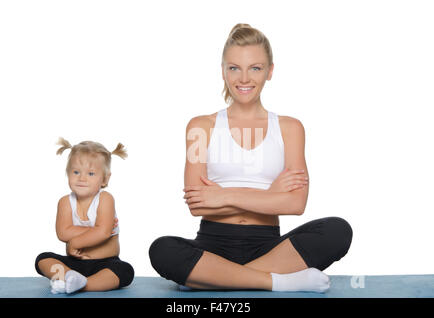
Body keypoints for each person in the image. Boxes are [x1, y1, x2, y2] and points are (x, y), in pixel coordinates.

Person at [149, 23, 353, 293]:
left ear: (270, 71)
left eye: (255, 68)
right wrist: (270, 196)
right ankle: (276, 281)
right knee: (162, 250)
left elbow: (296, 203)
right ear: (223, 71)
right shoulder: (200, 127)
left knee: (338, 230)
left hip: (270, 247)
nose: (244, 78)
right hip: (212, 245)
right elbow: (197, 205)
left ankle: (212, 279)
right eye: (234, 68)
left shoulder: (291, 128)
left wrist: (225, 195)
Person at [35, 137, 134, 294]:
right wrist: (97, 230)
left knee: (125, 271)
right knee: (43, 259)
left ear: (105, 179)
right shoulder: (65, 202)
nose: (82, 178)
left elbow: (103, 232)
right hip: (74, 263)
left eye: (91, 173)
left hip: (105, 263)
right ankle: (69, 276)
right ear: (68, 174)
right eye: (76, 172)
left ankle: (83, 284)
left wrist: (76, 241)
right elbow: (63, 233)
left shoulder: (105, 199)